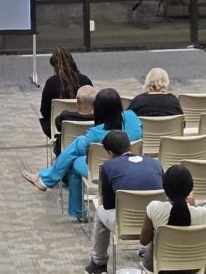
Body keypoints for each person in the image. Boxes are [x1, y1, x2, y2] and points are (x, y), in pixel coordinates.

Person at [23, 88, 145, 221]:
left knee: (74, 158)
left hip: (102, 171)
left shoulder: (95, 133)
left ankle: (58, 191)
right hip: (133, 166)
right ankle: (46, 179)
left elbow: (85, 148)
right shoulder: (132, 117)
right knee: (75, 154)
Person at [84, 131, 165, 274]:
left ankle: (98, 264)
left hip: (127, 226)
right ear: (130, 146)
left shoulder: (108, 167)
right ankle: (147, 249)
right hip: (156, 224)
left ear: (110, 152)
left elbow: (108, 205)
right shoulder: (155, 163)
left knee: (100, 211)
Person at [139, 164, 206, 274]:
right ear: (190, 188)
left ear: (165, 188)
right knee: (183, 254)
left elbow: (144, 240)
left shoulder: (154, 208)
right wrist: (194, 206)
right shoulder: (202, 214)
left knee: (144, 251)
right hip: (194, 265)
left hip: (160, 266)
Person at [38, 47, 93, 138]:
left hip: (59, 127)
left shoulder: (51, 83)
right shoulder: (84, 80)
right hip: (85, 123)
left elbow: (44, 111)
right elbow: (93, 104)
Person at [53, 85, 97, 155]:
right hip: (88, 151)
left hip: (66, 149)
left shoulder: (65, 116)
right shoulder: (98, 119)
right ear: (95, 104)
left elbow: (58, 127)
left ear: (77, 102)